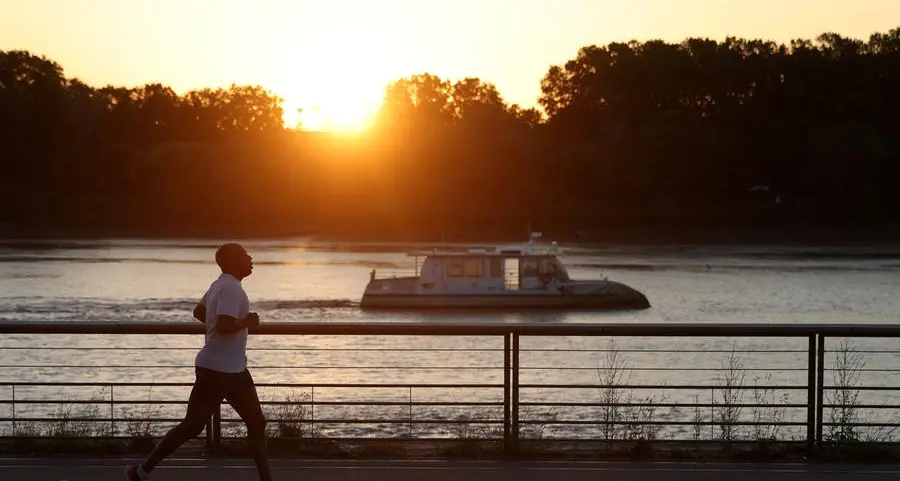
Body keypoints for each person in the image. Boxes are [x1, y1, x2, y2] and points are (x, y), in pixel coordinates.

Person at [126, 243, 272, 481]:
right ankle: (140, 471)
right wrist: (246, 322)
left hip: (234, 369)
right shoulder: (230, 288)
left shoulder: (220, 284)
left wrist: (218, 321)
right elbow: (224, 325)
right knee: (192, 426)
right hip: (217, 371)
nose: (251, 259)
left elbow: (199, 312)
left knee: (256, 422)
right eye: (246, 256)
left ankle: (267, 479)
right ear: (233, 261)